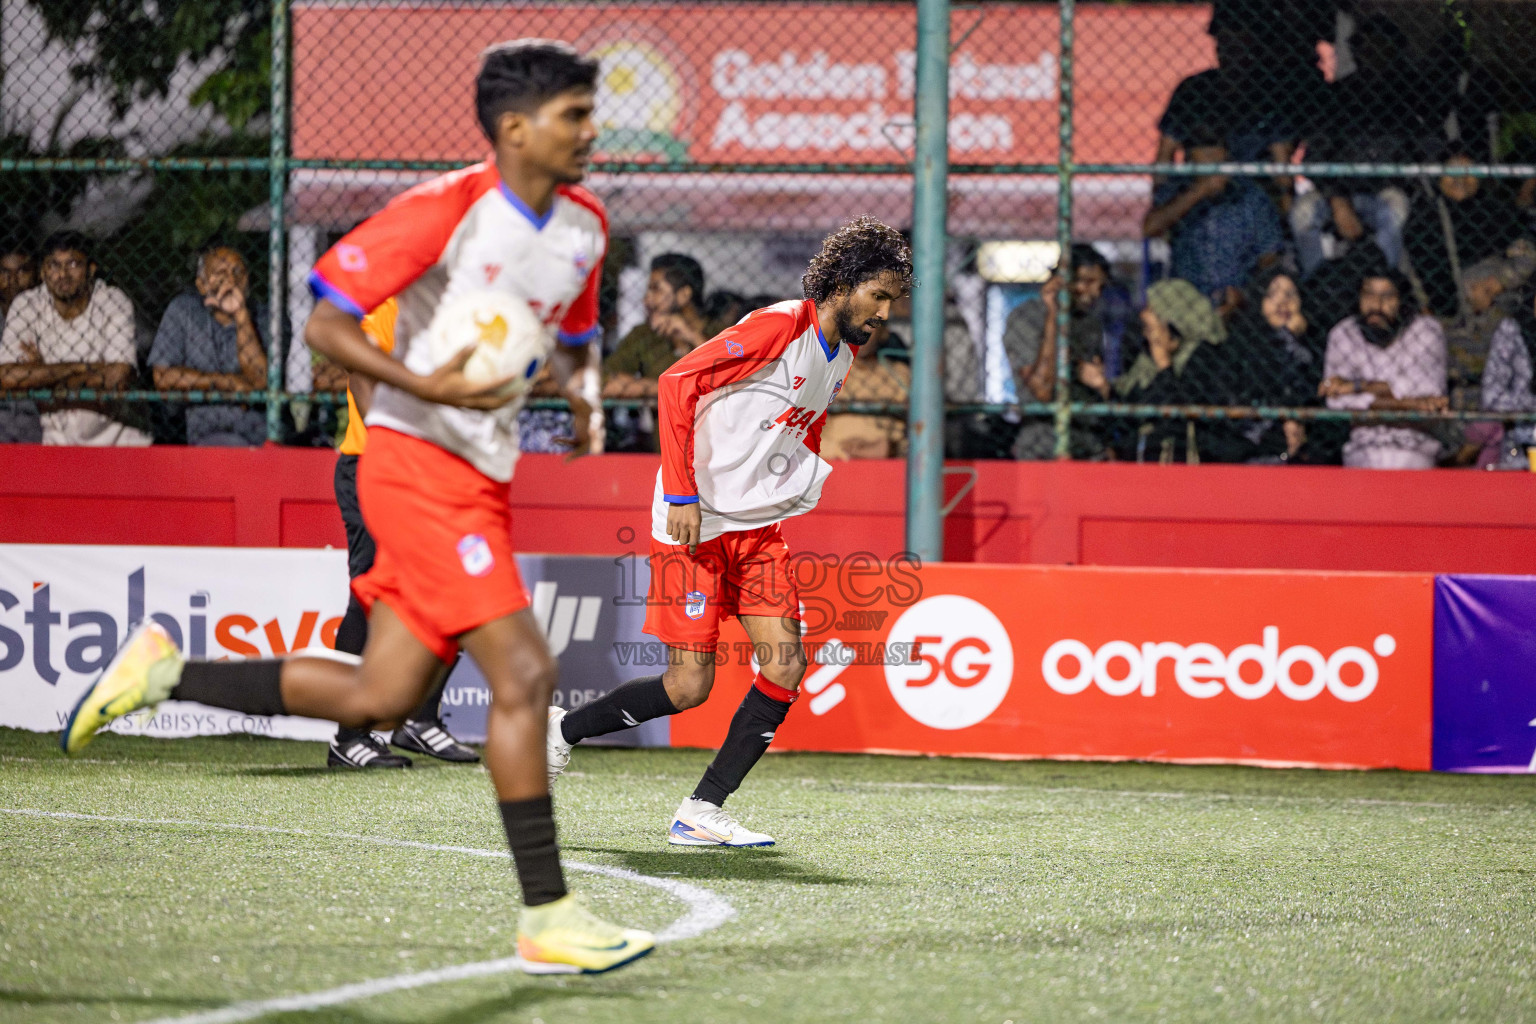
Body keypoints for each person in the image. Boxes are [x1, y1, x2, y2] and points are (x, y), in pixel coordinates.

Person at [58, 39, 653, 975]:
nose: (592, 131)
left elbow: (575, 333)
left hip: (483, 479)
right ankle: (548, 913)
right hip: (414, 469)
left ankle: (165, 673)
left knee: (383, 695)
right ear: (514, 128)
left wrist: (581, 400)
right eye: (575, 115)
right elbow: (327, 319)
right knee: (526, 674)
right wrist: (427, 384)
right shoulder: (446, 211)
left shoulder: (585, 222)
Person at [546, 217, 913, 847]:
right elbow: (677, 382)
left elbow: (803, 426)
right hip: (692, 524)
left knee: (787, 664)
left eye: (891, 302)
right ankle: (561, 730)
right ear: (846, 283)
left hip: (757, 532)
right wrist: (683, 492)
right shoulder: (777, 326)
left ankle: (701, 811)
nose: (884, 314)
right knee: (689, 687)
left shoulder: (843, 354)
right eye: (878, 296)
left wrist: (793, 488)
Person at [326, 296, 480, 769]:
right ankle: (349, 738)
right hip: (376, 468)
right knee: (371, 597)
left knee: (456, 589)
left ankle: (419, 719)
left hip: (430, 472)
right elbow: (360, 373)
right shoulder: (394, 307)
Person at [1290, 15, 1431, 276]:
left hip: (1386, 192)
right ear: (1357, 50)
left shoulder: (1410, 96)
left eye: (1383, 46)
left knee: (1394, 211)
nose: (1375, 53)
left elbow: (1423, 149)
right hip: (1337, 192)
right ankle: (1318, 288)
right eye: (1368, 46)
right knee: (1303, 213)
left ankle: (1382, 287)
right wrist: (1337, 200)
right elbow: (1316, 155)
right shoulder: (1338, 96)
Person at [0, 231, 148, 446]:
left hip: (117, 440)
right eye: (53, 265)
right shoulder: (27, 304)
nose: (62, 275)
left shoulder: (112, 301)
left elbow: (118, 377)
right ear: (42, 272)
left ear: (91, 269)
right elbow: (6, 377)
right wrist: (83, 368)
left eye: (73, 264)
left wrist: (42, 376)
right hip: (55, 440)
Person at [1320, 269, 1448, 469]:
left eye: (1387, 296)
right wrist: (1404, 401)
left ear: (1403, 302)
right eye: (1368, 295)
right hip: (1362, 447)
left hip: (1415, 447)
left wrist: (1358, 389)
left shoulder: (1426, 331)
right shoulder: (1343, 333)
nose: (1376, 305)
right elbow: (1337, 402)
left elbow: (1430, 399)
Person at [1143, 125, 1284, 304]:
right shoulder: (1177, 191)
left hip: (1240, 299)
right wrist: (1199, 191)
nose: (1212, 165)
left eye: (1217, 158)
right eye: (1205, 159)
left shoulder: (1250, 197)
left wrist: (1248, 293)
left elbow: (1269, 256)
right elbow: (1150, 228)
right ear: (1190, 161)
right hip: (1186, 298)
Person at [147, 246, 269, 446]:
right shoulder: (183, 310)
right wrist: (226, 382)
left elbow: (260, 380)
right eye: (220, 273)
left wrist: (241, 315)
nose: (230, 280)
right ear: (202, 285)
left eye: (238, 272)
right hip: (204, 435)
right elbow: (163, 376)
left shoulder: (266, 316)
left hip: (257, 437)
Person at [1112, 279, 1243, 463]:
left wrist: (1164, 364)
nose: (1147, 334)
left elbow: (1180, 416)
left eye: (1153, 325)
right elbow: (1129, 417)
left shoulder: (1207, 357)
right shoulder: (1145, 360)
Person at [1001, 244, 1112, 459]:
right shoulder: (1027, 317)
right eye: (1087, 282)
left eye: (1100, 286)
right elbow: (1042, 389)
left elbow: (1098, 387)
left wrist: (1101, 385)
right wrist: (1054, 314)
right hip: (1042, 441)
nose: (1095, 293)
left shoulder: (1090, 324)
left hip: (1087, 440)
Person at [603, 253, 719, 451]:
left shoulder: (720, 330)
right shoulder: (645, 335)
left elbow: (735, 375)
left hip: (721, 451)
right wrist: (663, 388)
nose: (647, 299)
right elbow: (606, 380)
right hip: (669, 456)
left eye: (655, 289)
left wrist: (693, 337)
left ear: (684, 295)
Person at [1223, 266, 1327, 462]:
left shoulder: (1313, 342)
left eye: (1290, 295)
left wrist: (1297, 340)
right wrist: (1285, 337)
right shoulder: (1242, 340)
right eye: (1272, 295)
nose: (1282, 303)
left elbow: (1313, 388)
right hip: (1252, 442)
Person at [1403, 153, 1527, 318]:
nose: (1460, 178)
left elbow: (1525, 245)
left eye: (1468, 171)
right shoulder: (1424, 215)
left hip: (1495, 298)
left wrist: (1500, 281)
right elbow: (1422, 271)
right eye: (1452, 171)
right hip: (1443, 309)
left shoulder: (1496, 210)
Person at [819, 316, 911, 459]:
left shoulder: (900, 374)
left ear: (884, 332)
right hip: (831, 459)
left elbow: (917, 430)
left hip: (886, 461)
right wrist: (840, 450)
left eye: (870, 325)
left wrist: (890, 448)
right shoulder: (825, 370)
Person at [0, 244, 40, 443]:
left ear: (37, 274)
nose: (13, 281)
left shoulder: (49, 316)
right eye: (5, 272)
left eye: (22, 271)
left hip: (39, 420)